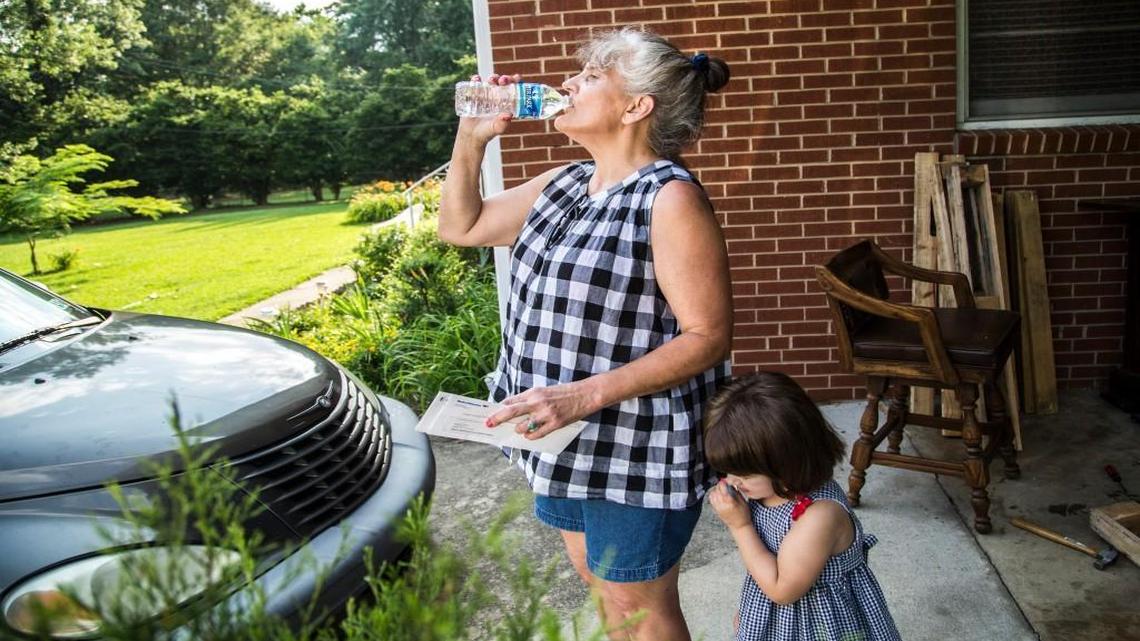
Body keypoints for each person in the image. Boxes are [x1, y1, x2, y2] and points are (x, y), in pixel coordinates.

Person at [437, 26, 733, 641]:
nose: (568, 82)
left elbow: (707, 336)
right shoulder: (565, 182)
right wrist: (471, 140)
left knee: (639, 610)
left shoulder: (669, 198)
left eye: (592, 75)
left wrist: (580, 395)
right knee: (602, 591)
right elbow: (461, 227)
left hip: (633, 449)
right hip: (559, 441)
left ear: (635, 107)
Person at [703, 372, 902, 641]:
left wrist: (740, 526)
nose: (733, 482)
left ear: (789, 462)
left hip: (822, 626)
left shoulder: (818, 517)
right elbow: (765, 564)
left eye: (745, 474)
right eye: (727, 471)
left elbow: (782, 589)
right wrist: (752, 611)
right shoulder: (774, 489)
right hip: (778, 616)